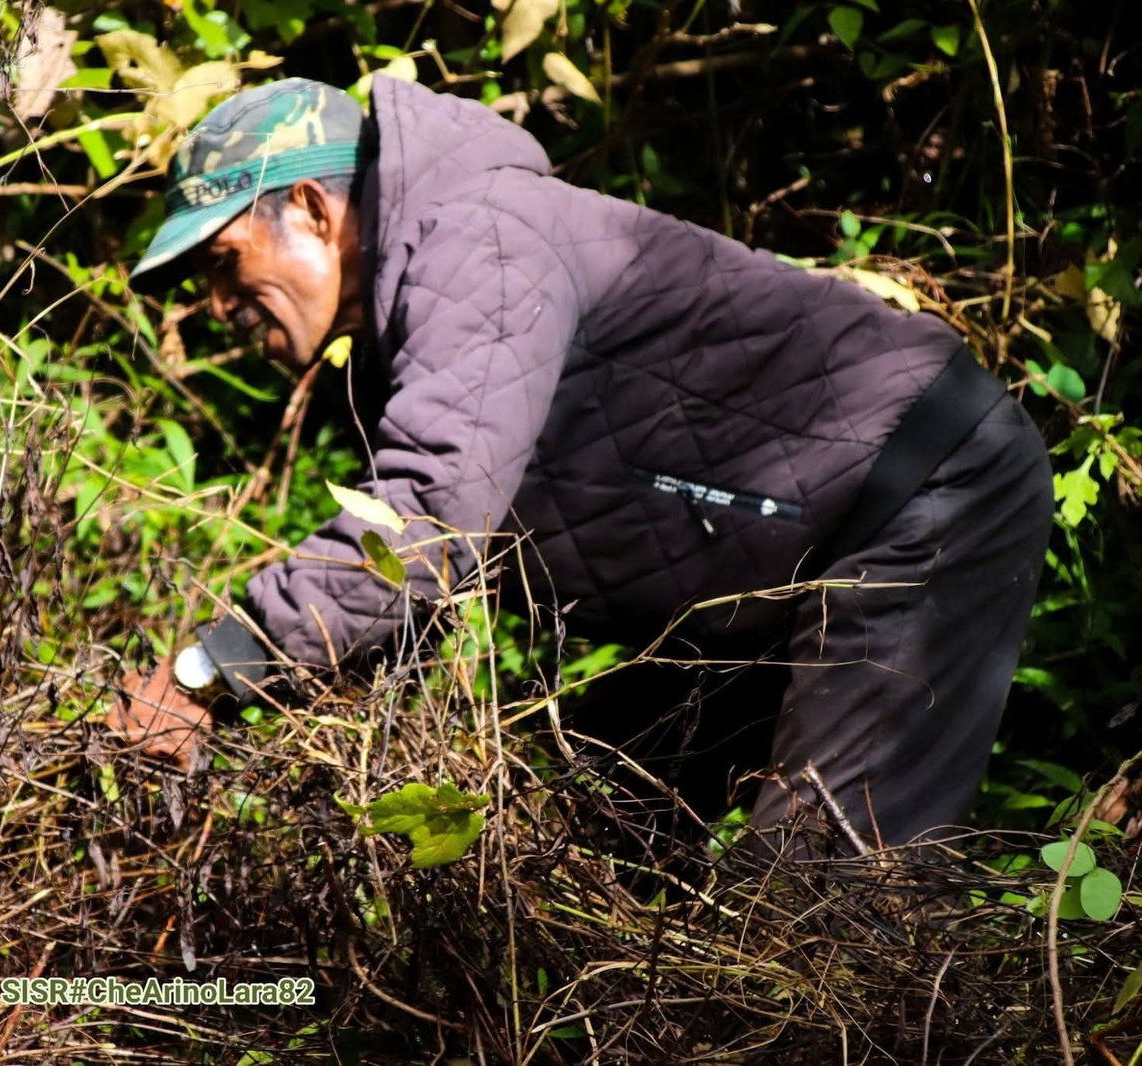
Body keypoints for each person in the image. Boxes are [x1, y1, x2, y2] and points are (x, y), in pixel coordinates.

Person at [107, 75, 1053, 851]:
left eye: (224, 260)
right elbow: (422, 588)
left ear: (313, 210)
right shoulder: (406, 325)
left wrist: (208, 669)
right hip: (763, 564)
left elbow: (430, 518)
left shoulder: (476, 241)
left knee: (823, 902)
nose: (218, 304)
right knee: (588, 834)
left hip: (920, 494)